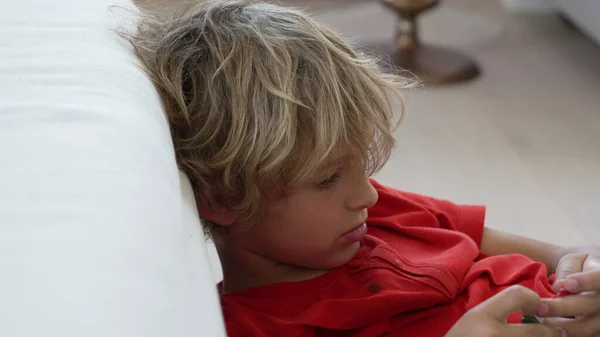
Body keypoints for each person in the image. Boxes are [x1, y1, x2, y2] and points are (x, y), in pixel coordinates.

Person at [124, 1, 600, 336]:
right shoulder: (252, 326)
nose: (368, 195)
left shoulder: (372, 210)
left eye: (361, 168)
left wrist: (575, 262)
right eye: (328, 178)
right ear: (225, 198)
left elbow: (520, 247)